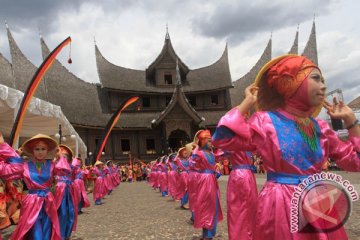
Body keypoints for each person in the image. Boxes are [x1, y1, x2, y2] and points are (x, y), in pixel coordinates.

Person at [213, 54, 360, 239]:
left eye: (323, 80)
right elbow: (223, 138)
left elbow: (355, 162)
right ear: (290, 82)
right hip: (280, 204)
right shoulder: (265, 121)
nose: (323, 86)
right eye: (316, 78)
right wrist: (248, 102)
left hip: (318, 201)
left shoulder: (320, 128)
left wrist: (351, 121)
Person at [3, 133, 70, 240]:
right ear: (32, 150)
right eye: (37, 149)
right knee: (34, 229)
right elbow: (8, 172)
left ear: (47, 150)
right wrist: (16, 157)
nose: (40, 152)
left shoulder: (52, 165)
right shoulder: (24, 165)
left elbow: (64, 171)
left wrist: (60, 156)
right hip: (31, 202)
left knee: (48, 227)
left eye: (43, 149)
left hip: (48, 201)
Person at [192, 130, 223, 239]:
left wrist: (216, 172)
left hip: (211, 180)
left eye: (211, 141)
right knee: (205, 205)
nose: (211, 143)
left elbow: (212, 167)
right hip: (204, 180)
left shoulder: (212, 154)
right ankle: (207, 233)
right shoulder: (199, 153)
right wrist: (197, 143)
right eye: (208, 141)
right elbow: (193, 164)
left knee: (213, 205)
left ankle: (209, 233)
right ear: (203, 141)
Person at [54, 144, 78, 240]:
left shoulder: (69, 166)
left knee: (69, 212)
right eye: (61, 155)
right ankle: (59, 234)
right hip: (57, 191)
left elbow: (75, 167)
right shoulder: (53, 165)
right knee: (61, 212)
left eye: (65, 156)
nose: (63, 158)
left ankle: (65, 233)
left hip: (67, 191)